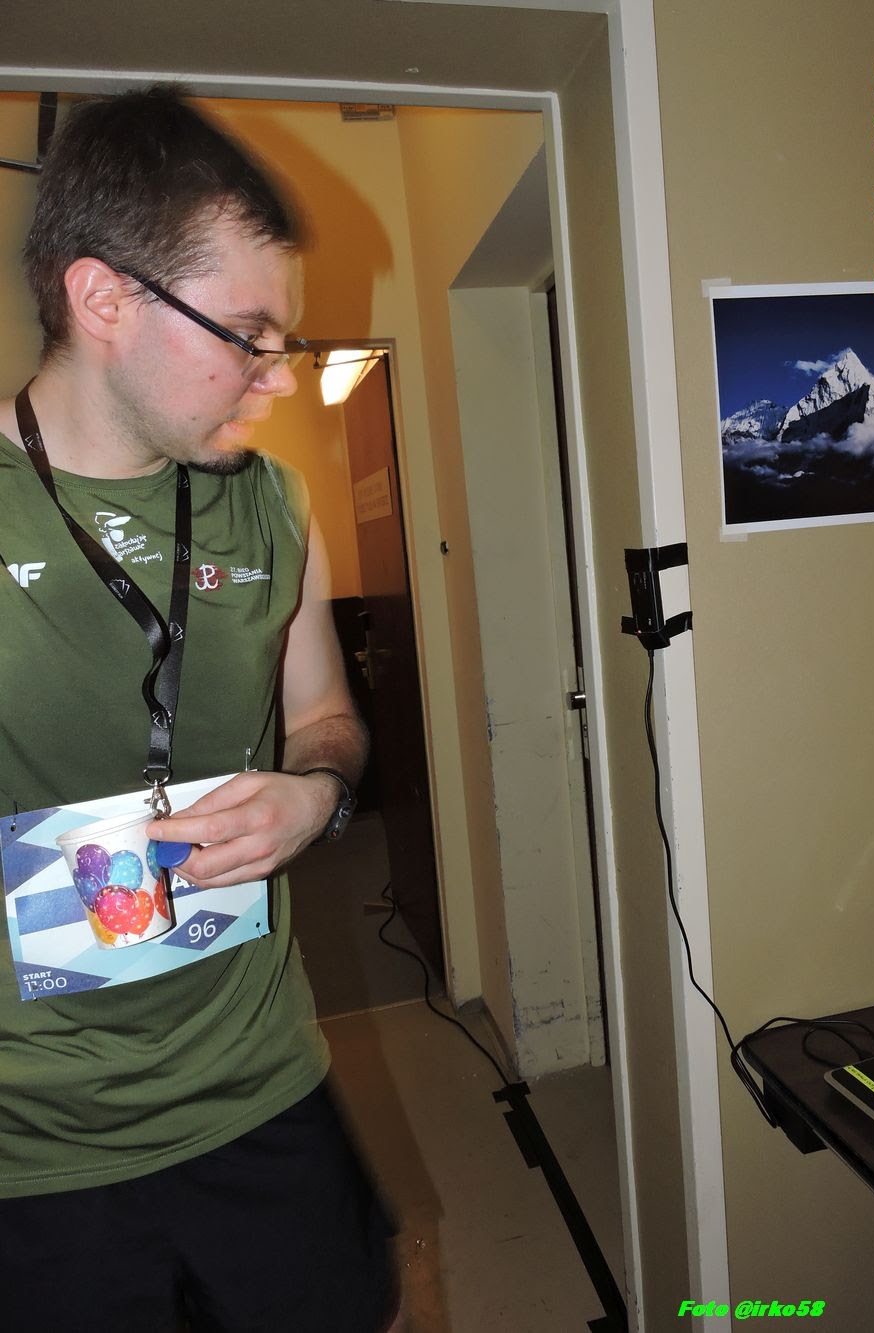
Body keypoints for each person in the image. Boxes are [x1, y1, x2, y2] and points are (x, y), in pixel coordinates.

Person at [0, 86, 401, 1332]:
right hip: (33, 1147)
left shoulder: (273, 505)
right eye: (246, 334)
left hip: (262, 1085)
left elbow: (326, 715)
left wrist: (316, 795)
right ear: (103, 298)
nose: (276, 376)